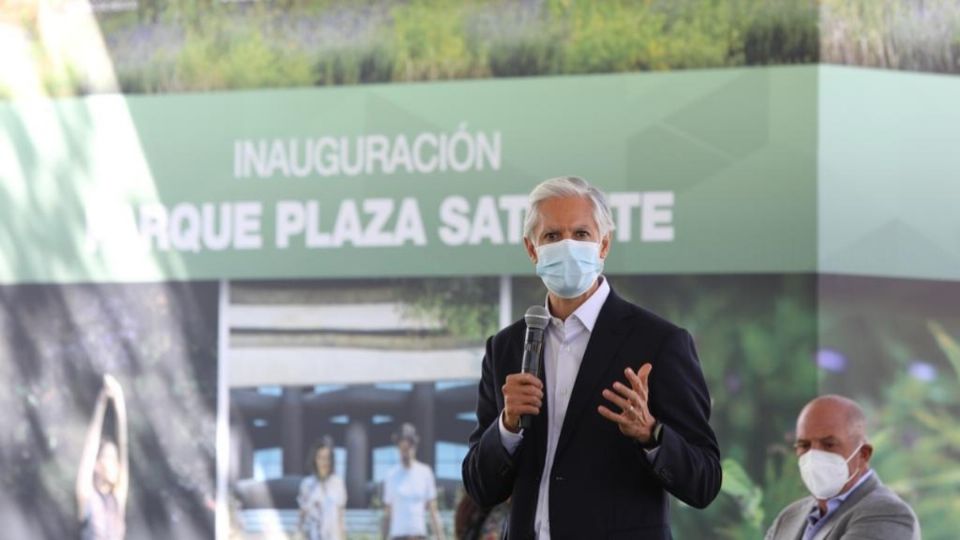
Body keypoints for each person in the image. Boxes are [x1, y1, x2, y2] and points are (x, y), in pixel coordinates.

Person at [461, 176, 722, 539]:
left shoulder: (659, 343)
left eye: (581, 234)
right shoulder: (506, 347)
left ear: (604, 244)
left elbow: (704, 481)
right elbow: (480, 487)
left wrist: (651, 434)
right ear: (531, 249)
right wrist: (506, 426)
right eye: (552, 236)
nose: (567, 246)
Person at [765, 395, 920, 540]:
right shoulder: (789, 517)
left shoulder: (889, 514)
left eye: (829, 444)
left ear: (863, 454)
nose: (813, 456)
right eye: (804, 445)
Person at [76, 374, 129, 540]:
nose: (115, 464)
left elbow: (124, 445)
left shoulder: (117, 498)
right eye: (109, 458)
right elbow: (90, 449)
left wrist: (119, 402)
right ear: (98, 465)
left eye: (115, 460)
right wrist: (101, 402)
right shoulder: (87, 496)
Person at [381, 423, 446, 540]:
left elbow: (433, 511)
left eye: (408, 446)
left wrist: (440, 537)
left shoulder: (425, 473)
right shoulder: (391, 475)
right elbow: (387, 514)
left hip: (419, 536)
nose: (405, 451)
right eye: (402, 447)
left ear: (414, 446)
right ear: (398, 448)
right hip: (398, 536)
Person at [298, 436, 347, 540]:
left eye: (327, 458)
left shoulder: (338, 483)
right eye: (320, 457)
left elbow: (340, 517)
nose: (324, 462)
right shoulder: (307, 484)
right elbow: (302, 516)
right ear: (315, 459)